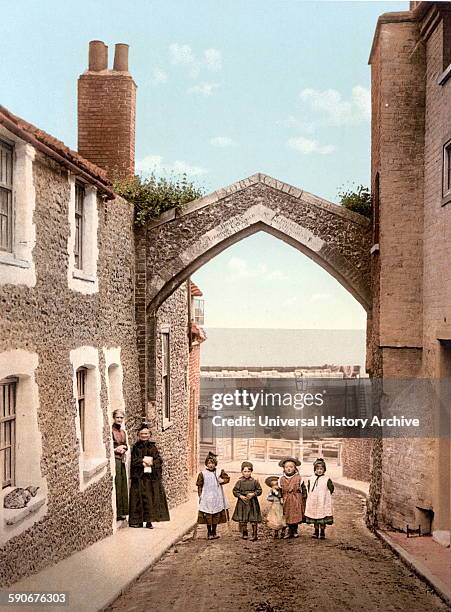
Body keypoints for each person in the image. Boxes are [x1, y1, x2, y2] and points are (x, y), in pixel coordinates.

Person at [128, 423, 170, 528]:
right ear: (139, 435)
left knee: (150, 499)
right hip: (140, 477)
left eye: (146, 434)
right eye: (142, 434)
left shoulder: (153, 447)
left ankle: (149, 521)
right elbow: (134, 460)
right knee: (139, 500)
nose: (144, 436)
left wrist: (152, 463)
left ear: (149, 435)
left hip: (150, 477)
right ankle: (138, 521)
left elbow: (158, 460)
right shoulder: (136, 447)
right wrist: (142, 461)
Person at [196, 451, 230, 540]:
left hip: (217, 496)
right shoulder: (202, 474)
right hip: (206, 496)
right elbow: (199, 485)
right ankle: (209, 532)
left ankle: (214, 532)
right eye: (209, 463)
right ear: (206, 464)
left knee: (216, 514)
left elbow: (227, 478)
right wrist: (200, 495)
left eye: (213, 463)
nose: (211, 465)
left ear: (215, 463)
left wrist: (222, 481)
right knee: (208, 514)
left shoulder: (219, 472)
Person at [232, 461, 262, 541]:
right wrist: (240, 496)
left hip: (252, 503)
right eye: (245, 471)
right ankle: (244, 533)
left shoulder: (255, 481)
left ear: (251, 471)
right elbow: (235, 491)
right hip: (242, 502)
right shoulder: (240, 482)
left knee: (253, 518)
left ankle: (255, 535)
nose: (247, 473)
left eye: (249, 471)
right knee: (243, 518)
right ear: (242, 472)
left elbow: (259, 491)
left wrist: (253, 494)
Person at [304, 458, 334, 539]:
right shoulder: (311, 478)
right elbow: (309, 488)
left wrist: (325, 495)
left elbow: (331, 488)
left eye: (321, 469)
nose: (319, 470)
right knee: (315, 517)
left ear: (324, 470)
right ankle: (316, 532)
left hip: (323, 500)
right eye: (317, 469)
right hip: (314, 500)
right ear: (314, 469)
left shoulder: (327, 479)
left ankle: (322, 532)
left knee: (322, 516)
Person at [278, 456, 307, 539]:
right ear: (284, 468)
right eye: (287, 467)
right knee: (287, 514)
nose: (289, 469)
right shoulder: (281, 479)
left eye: (291, 467)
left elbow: (303, 488)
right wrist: (280, 497)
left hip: (296, 498)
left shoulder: (299, 478)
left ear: (295, 468)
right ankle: (289, 530)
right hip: (286, 498)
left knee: (295, 514)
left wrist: (304, 496)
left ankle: (295, 530)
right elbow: (280, 490)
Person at [112, 409, 128, 520]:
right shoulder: (111, 431)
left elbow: (125, 444)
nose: (119, 420)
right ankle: (117, 512)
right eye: (117, 417)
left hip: (121, 459)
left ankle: (122, 511)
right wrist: (115, 449)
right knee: (117, 483)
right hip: (115, 459)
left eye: (121, 418)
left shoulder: (123, 432)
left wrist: (124, 448)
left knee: (123, 484)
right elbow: (110, 447)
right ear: (114, 418)